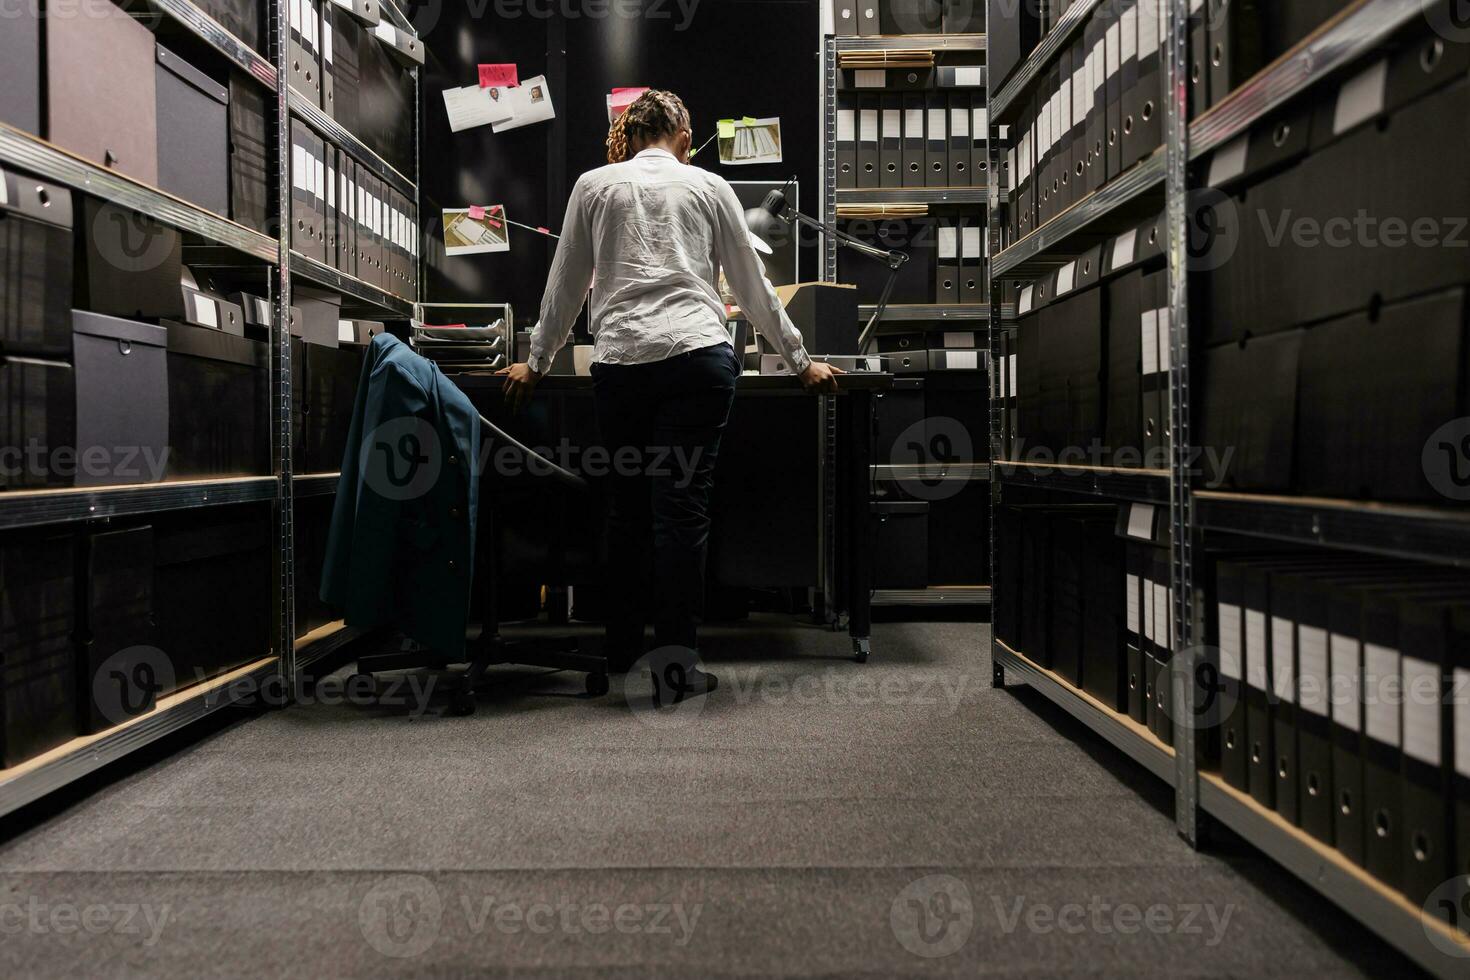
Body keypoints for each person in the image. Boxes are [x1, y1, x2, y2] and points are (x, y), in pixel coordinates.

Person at [498, 89, 839, 701]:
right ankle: (676, 671)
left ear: (628, 137)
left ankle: (623, 652)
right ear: (683, 137)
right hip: (696, 360)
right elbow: (752, 284)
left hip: (623, 363)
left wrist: (535, 362)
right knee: (680, 516)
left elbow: (567, 280)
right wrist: (801, 361)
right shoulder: (709, 187)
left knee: (626, 511)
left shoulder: (592, 186)